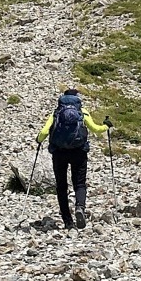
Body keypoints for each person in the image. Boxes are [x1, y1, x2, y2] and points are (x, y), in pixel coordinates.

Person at [36, 88, 111, 229]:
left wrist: (38, 140)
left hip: (59, 153)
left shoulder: (57, 113)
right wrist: (106, 126)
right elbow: (95, 128)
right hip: (79, 152)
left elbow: (45, 131)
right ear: (77, 98)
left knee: (61, 186)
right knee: (79, 183)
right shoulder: (82, 111)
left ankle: (67, 221)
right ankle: (80, 207)